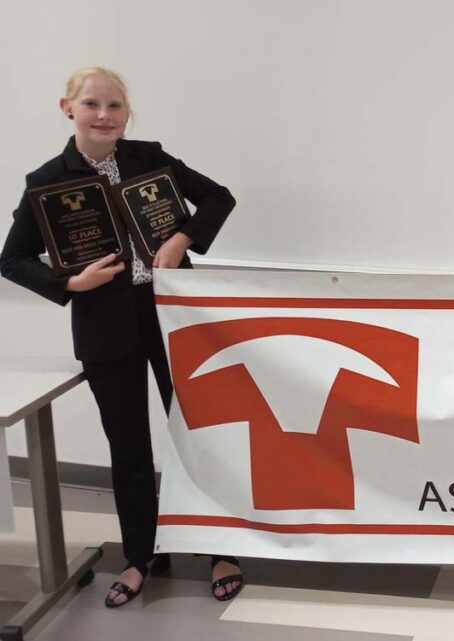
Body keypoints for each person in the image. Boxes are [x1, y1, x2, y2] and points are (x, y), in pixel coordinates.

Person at [1, 67, 244, 607]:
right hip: (105, 326)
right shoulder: (46, 180)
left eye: (114, 106)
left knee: (199, 436)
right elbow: (11, 259)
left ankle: (220, 548)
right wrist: (69, 281)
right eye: (91, 105)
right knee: (128, 446)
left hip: (173, 315)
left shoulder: (149, 158)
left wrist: (183, 237)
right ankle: (141, 555)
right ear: (67, 108)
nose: (104, 115)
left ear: (127, 113)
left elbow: (219, 198)